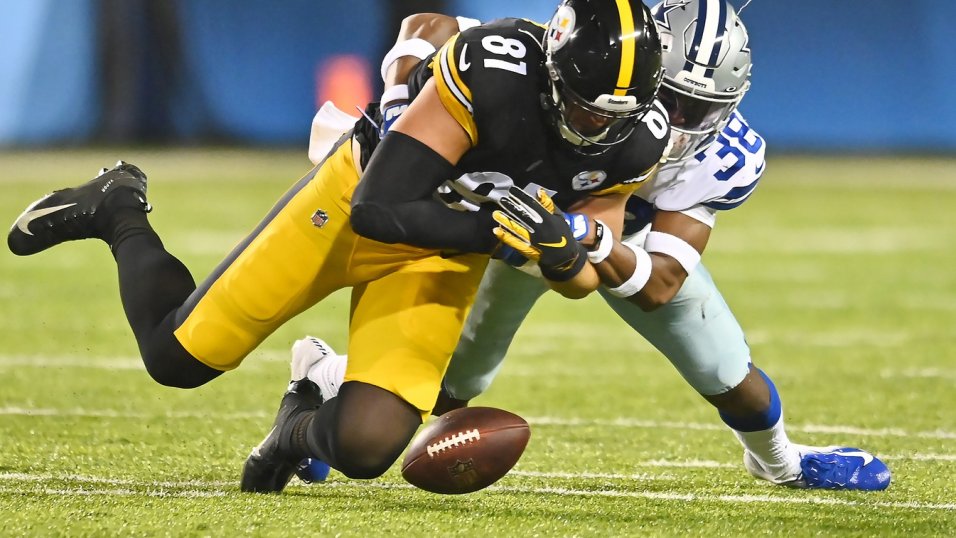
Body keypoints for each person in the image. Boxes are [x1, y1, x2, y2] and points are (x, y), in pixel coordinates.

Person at [7, 0, 671, 493]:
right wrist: (498, 231)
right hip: (356, 205)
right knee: (176, 359)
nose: (598, 127)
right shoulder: (497, 70)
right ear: (554, 75)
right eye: (587, 108)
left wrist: (560, 252)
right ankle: (119, 207)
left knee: (365, 446)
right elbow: (380, 210)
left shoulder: (641, 139)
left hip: (443, 253)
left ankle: (297, 418)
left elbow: (588, 269)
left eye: (617, 115)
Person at [293, 0, 892, 491]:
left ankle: (780, 461)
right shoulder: (584, 62)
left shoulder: (717, 155)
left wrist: (586, 238)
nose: (679, 121)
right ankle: (326, 382)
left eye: (698, 109)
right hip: (515, 226)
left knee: (727, 369)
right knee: (453, 385)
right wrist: (399, 102)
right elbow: (429, 26)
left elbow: (660, 283)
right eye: (671, 100)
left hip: (610, 240)